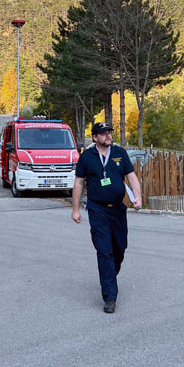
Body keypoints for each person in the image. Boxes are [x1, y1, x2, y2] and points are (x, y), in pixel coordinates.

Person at [72, 122, 142, 314]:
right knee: (105, 252)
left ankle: (109, 274)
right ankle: (110, 297)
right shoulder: (87, 157)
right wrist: (75, 209)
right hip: (97, 210)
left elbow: (132, 177)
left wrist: (138, 198)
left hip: (118, 210)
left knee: (119, 248)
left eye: (109, 132)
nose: (108, 136)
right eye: (103, 134)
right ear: (95, 138)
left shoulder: (120, 153)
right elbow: (78, 183)